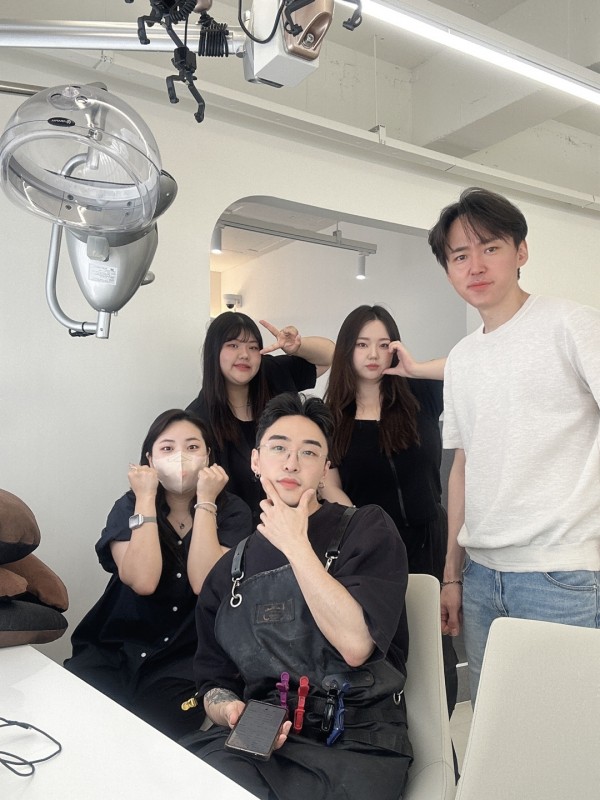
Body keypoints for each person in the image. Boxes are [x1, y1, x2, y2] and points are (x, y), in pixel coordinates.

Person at [186, 393, 413, 800]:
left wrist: (296, 545)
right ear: (256, 461)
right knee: (177, 774)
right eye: (279, 448)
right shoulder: (230, 569)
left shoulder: (366, 528)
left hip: (357, 742)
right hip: (263, 740)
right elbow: (213, 683)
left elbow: (356, 645)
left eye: (309, 452)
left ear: (325, 469)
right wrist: (228, 710)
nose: (291, 463)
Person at [428, 186, 600, 702]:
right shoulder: (461, 358)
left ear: (521, 251)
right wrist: (452, 574)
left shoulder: (570, 324)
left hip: (562, 572)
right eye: (460, 255)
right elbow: (462, 466)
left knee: (565, 729)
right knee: (497, 724)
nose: (476, 265)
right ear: (449, 269)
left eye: (491, 247)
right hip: (482, 576)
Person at [64, 408, 252, 740]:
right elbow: (143, 580)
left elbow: (204, 581)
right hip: (114, 646)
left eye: (192, 447)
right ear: (149, 459)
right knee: (80, 726)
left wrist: (206, 501)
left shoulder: (233, 511)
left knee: (152, 739)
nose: (180, 456)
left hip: (185, 659)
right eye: (167, 448)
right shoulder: (129, 506)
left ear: (209, 455)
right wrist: (145, 498)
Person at [321, 305, 457, 715]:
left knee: (436, 650)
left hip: (427, 539)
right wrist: (365, 529)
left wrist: (416, 368)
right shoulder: (331, 418)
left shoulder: (421, 397)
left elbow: (470, 363)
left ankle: (440, 739)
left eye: (384, 345)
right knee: (385, 646)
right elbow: (330, 486)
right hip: (371, 550)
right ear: (347, 350)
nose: (373, 354)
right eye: (363, 344)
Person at [187, 312, 334, 526]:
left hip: (300, 518)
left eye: (253, 347)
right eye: (233, 345)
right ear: (214, 351)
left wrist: (297, 347)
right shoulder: (198, 419)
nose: (245, 355)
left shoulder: (273, 372)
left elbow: (329, 355)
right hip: (237, 531)